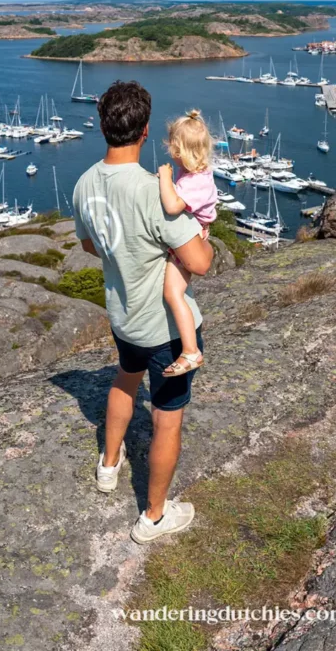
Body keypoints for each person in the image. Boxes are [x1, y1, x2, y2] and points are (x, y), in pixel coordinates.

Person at [72, 80, 214, 544]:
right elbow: (200, 262)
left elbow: (92, 244)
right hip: (165, 330)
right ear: (146, 130)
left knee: (123, 379)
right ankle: (153, 516)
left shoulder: (84, 183)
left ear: (102, 126)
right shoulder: (156, 189)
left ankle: (109, 466)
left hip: (123, 316)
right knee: (165, 417)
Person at [158, 109, 217, 377]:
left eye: (172, 146)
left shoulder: (194, 182)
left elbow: (172, 206)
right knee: (173, 293)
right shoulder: (196, 173)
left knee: (172, 293)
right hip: (193, 233)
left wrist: (164, 179)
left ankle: (191, 351)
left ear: (180, 151)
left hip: (191, 239)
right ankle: (190, 350)